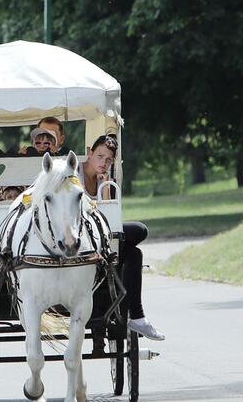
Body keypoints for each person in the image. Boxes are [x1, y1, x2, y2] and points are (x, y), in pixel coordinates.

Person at [79, 134, 165, 341]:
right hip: (79, 236)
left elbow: (108, 218)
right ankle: (137, 316)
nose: (103, 163)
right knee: (138, 233)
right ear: (90, 153)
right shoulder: (75, 173)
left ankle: (137, 316)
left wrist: (105, 186)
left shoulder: (105, 179)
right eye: (99, 156)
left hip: (100, 236)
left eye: (108, 160)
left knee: (134, 251)